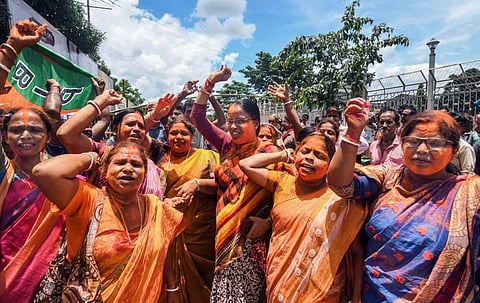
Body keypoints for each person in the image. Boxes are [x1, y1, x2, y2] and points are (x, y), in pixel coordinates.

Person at [327, 98, 480, 302]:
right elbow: (340, 184)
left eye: (434, 143)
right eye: (413, 141)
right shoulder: (387, 178)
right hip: (373, 295)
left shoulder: (469, 192)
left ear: (453, 150)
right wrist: (353, 133)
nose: (422, 150)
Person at [31, 141, 188, 302]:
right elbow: (43, 171)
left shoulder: (155, 206)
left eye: (136, 164)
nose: (128, 169)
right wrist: (91, 158)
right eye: (120, 163)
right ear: (105, 170)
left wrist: (172, 287)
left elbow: (165, 247)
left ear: (145, 172)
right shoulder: (88, 200)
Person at [190, 65, 291, 302]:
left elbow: (290, 193)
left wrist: (268, 222)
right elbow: (197, 117)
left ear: (255, 122)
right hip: (224, 233)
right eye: (230, 121)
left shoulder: (270, 152)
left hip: (253, 240)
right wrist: (211, 81)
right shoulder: (227, 146)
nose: (233, 126)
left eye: (240, 121)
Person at [239, 132, 366, 303]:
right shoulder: (282, 182)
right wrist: (284, 155)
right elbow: (246, 164)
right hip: (280, 282)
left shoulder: (339, 200)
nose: (309, 158)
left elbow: (357, 253)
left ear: (330, 164)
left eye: (319, 155)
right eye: (305, 151)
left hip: (322, 293)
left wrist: (357, 297)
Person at [0, 20, 66, 303]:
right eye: (16, 129)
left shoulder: (63, 174)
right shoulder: (4, 171)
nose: (25, 135)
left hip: (53, 284)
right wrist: (12, 48)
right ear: (5, 136)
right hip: (6, 280)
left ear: (48, 135)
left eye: (35, 129)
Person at [56, 90, 175, 198]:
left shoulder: (148, 162)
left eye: (141, 126)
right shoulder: (102, 153)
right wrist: (99, 102)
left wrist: (155, 115)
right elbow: (65, 134)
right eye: (130, 124)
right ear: (114, 129)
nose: (137, 129)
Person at [159, 117, 219, 303]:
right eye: (173, 133)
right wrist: (166, 201)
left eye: (184, 133)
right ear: (167, 135)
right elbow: (150, 193)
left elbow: (224, 184)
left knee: (204, 283)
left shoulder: (207, 156)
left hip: (201, 231)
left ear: (192, 136)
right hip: (169, 229)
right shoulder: (160, 161)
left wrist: (197, 183)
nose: (178, 137)